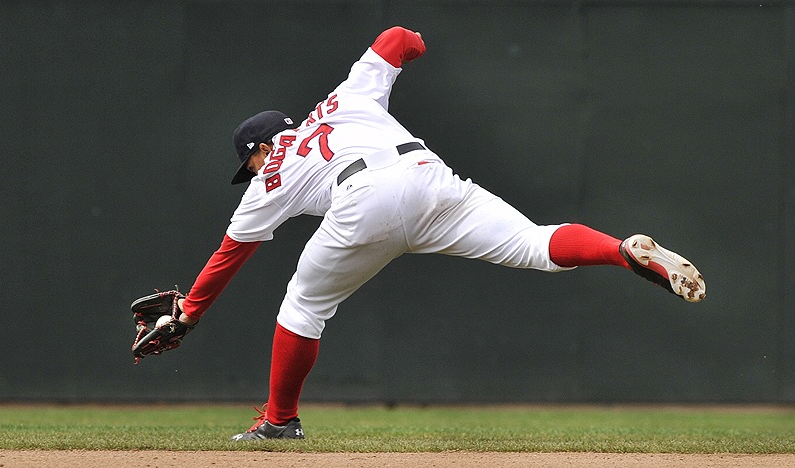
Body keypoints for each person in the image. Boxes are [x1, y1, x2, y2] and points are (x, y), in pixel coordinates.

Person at [172, 26, 705, 440]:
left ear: (261, 149)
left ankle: (280, 422)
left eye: (249, 161)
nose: (251, 170)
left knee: (303, 307)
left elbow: (229, 254)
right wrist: (420, 46)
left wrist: (189, 312)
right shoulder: (342, 99)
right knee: (535, 243)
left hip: (362, 200)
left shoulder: (270, 173)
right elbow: (398, 40)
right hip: (430, 177)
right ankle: (620, 251)